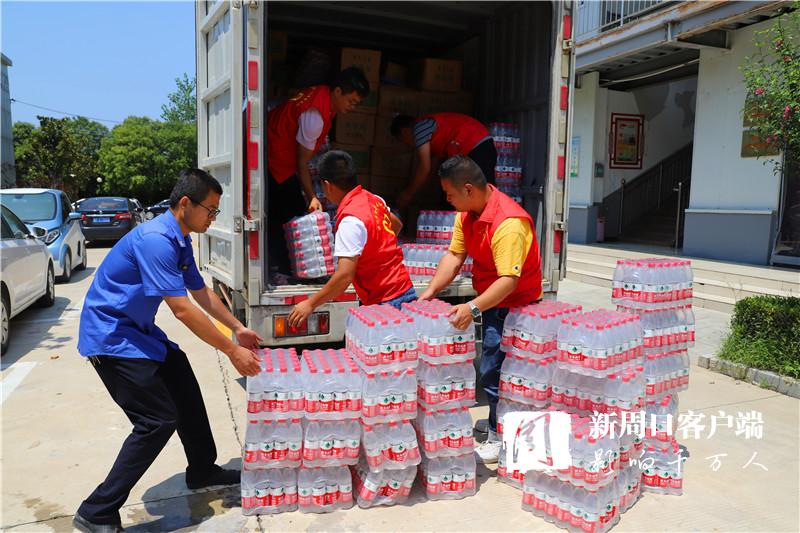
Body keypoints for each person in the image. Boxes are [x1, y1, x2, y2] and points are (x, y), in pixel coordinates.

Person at [73, 169, 262, 533]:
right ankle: (97, 510)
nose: (213, 217)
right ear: (186, 203)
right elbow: (182, 309)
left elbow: (199, 292)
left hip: (138, 334)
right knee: (156, 420)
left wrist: (237, 329)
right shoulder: (156, 240)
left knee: (182, 380)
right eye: (211, 210)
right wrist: (229, 350)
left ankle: (202, 469)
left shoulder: (180, 239)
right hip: (111, 339)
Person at [418, 155, 542, 464]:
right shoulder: (467, 215)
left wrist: (472, 308)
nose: (447, 200)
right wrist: (430, 292)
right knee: (492, 369)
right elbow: (454, 256)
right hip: (493, 302)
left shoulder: (508, 223)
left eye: (450, 194)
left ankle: (501, 439)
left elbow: (509, 281)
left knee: (497, 372)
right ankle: (498, 423)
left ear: (468, 189)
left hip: (517, 308)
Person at [287, 150, 415, 327]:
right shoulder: (374, 199)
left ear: (327, 185)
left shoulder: (350, 221)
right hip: (406, 292)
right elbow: (397, 225)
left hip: (385, 302)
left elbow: (344, 276)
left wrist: (310, 304)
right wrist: (376, 249)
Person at [267, 67, 371, 280]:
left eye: (356, 103)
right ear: (338, 91)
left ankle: (287, 269)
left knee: (282, 215)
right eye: (351, 101)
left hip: (277, 155)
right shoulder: (314, 115)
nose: (352, 107)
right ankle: (292, 272)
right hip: (277, 161)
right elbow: (302, 162)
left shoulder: (321, 94)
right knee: (295, 219)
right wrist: (312, 196)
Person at [390, 112, 497, 209]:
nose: (406, 145)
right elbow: (432, 169)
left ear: (404, 132)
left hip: (476, 146)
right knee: (455, 193)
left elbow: (425, 167)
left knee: (481, 194)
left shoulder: (419, 129)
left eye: (401, 140)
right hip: (478, 147)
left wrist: (408, 193)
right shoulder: (432, 137)